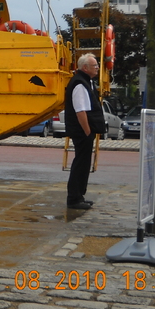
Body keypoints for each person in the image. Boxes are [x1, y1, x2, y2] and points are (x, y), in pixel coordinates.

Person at [64, 53, 106, 210]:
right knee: (80, 163)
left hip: (84, 131)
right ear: (85, 68)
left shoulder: (86, 82)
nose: (97, 68)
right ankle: (74, 198)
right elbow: (80, 111)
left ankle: (79, 195)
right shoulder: (80, 84)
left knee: (83, 163)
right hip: (82, 131)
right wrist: (88, 131)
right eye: (95, 65)